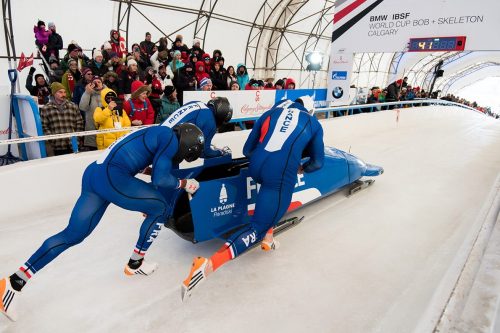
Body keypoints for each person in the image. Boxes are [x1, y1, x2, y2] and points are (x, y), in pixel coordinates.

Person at [0, 123, 205, 321]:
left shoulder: (158, 133)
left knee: (72, 234)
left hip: (95, 174)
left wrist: (145, 196)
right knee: (160, 207)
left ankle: (15, 281)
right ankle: (135, 263)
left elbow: (134, 158)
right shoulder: (169, 139)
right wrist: (186, 183)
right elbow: (161, 180)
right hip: (112, 177)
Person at [181, 96, 324, 300]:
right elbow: (318, 163)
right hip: (279, 174)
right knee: (259, 224)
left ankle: (268, 239)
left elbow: (248, 149)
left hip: (256, 166)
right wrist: (301, 167)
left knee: (267, 192)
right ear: (309, 111)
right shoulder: (313, 123)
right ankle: (208, 265)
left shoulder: (270, 113)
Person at [160, 97, 233, 158]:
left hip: (157, 131)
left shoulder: (197, 103)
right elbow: (204, 152)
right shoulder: (211, 123)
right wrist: (220, 152)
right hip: (167, 144)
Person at [40, 82, 84, 156]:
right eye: (60, 92)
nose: (63, 94)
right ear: (54, 93)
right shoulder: (46, 108)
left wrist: (77, 138)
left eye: (64, 92)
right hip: (57, 146)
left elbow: (79, 122)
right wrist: (52, 139)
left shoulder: (72, 106)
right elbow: (44, 126)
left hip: (73, 144)